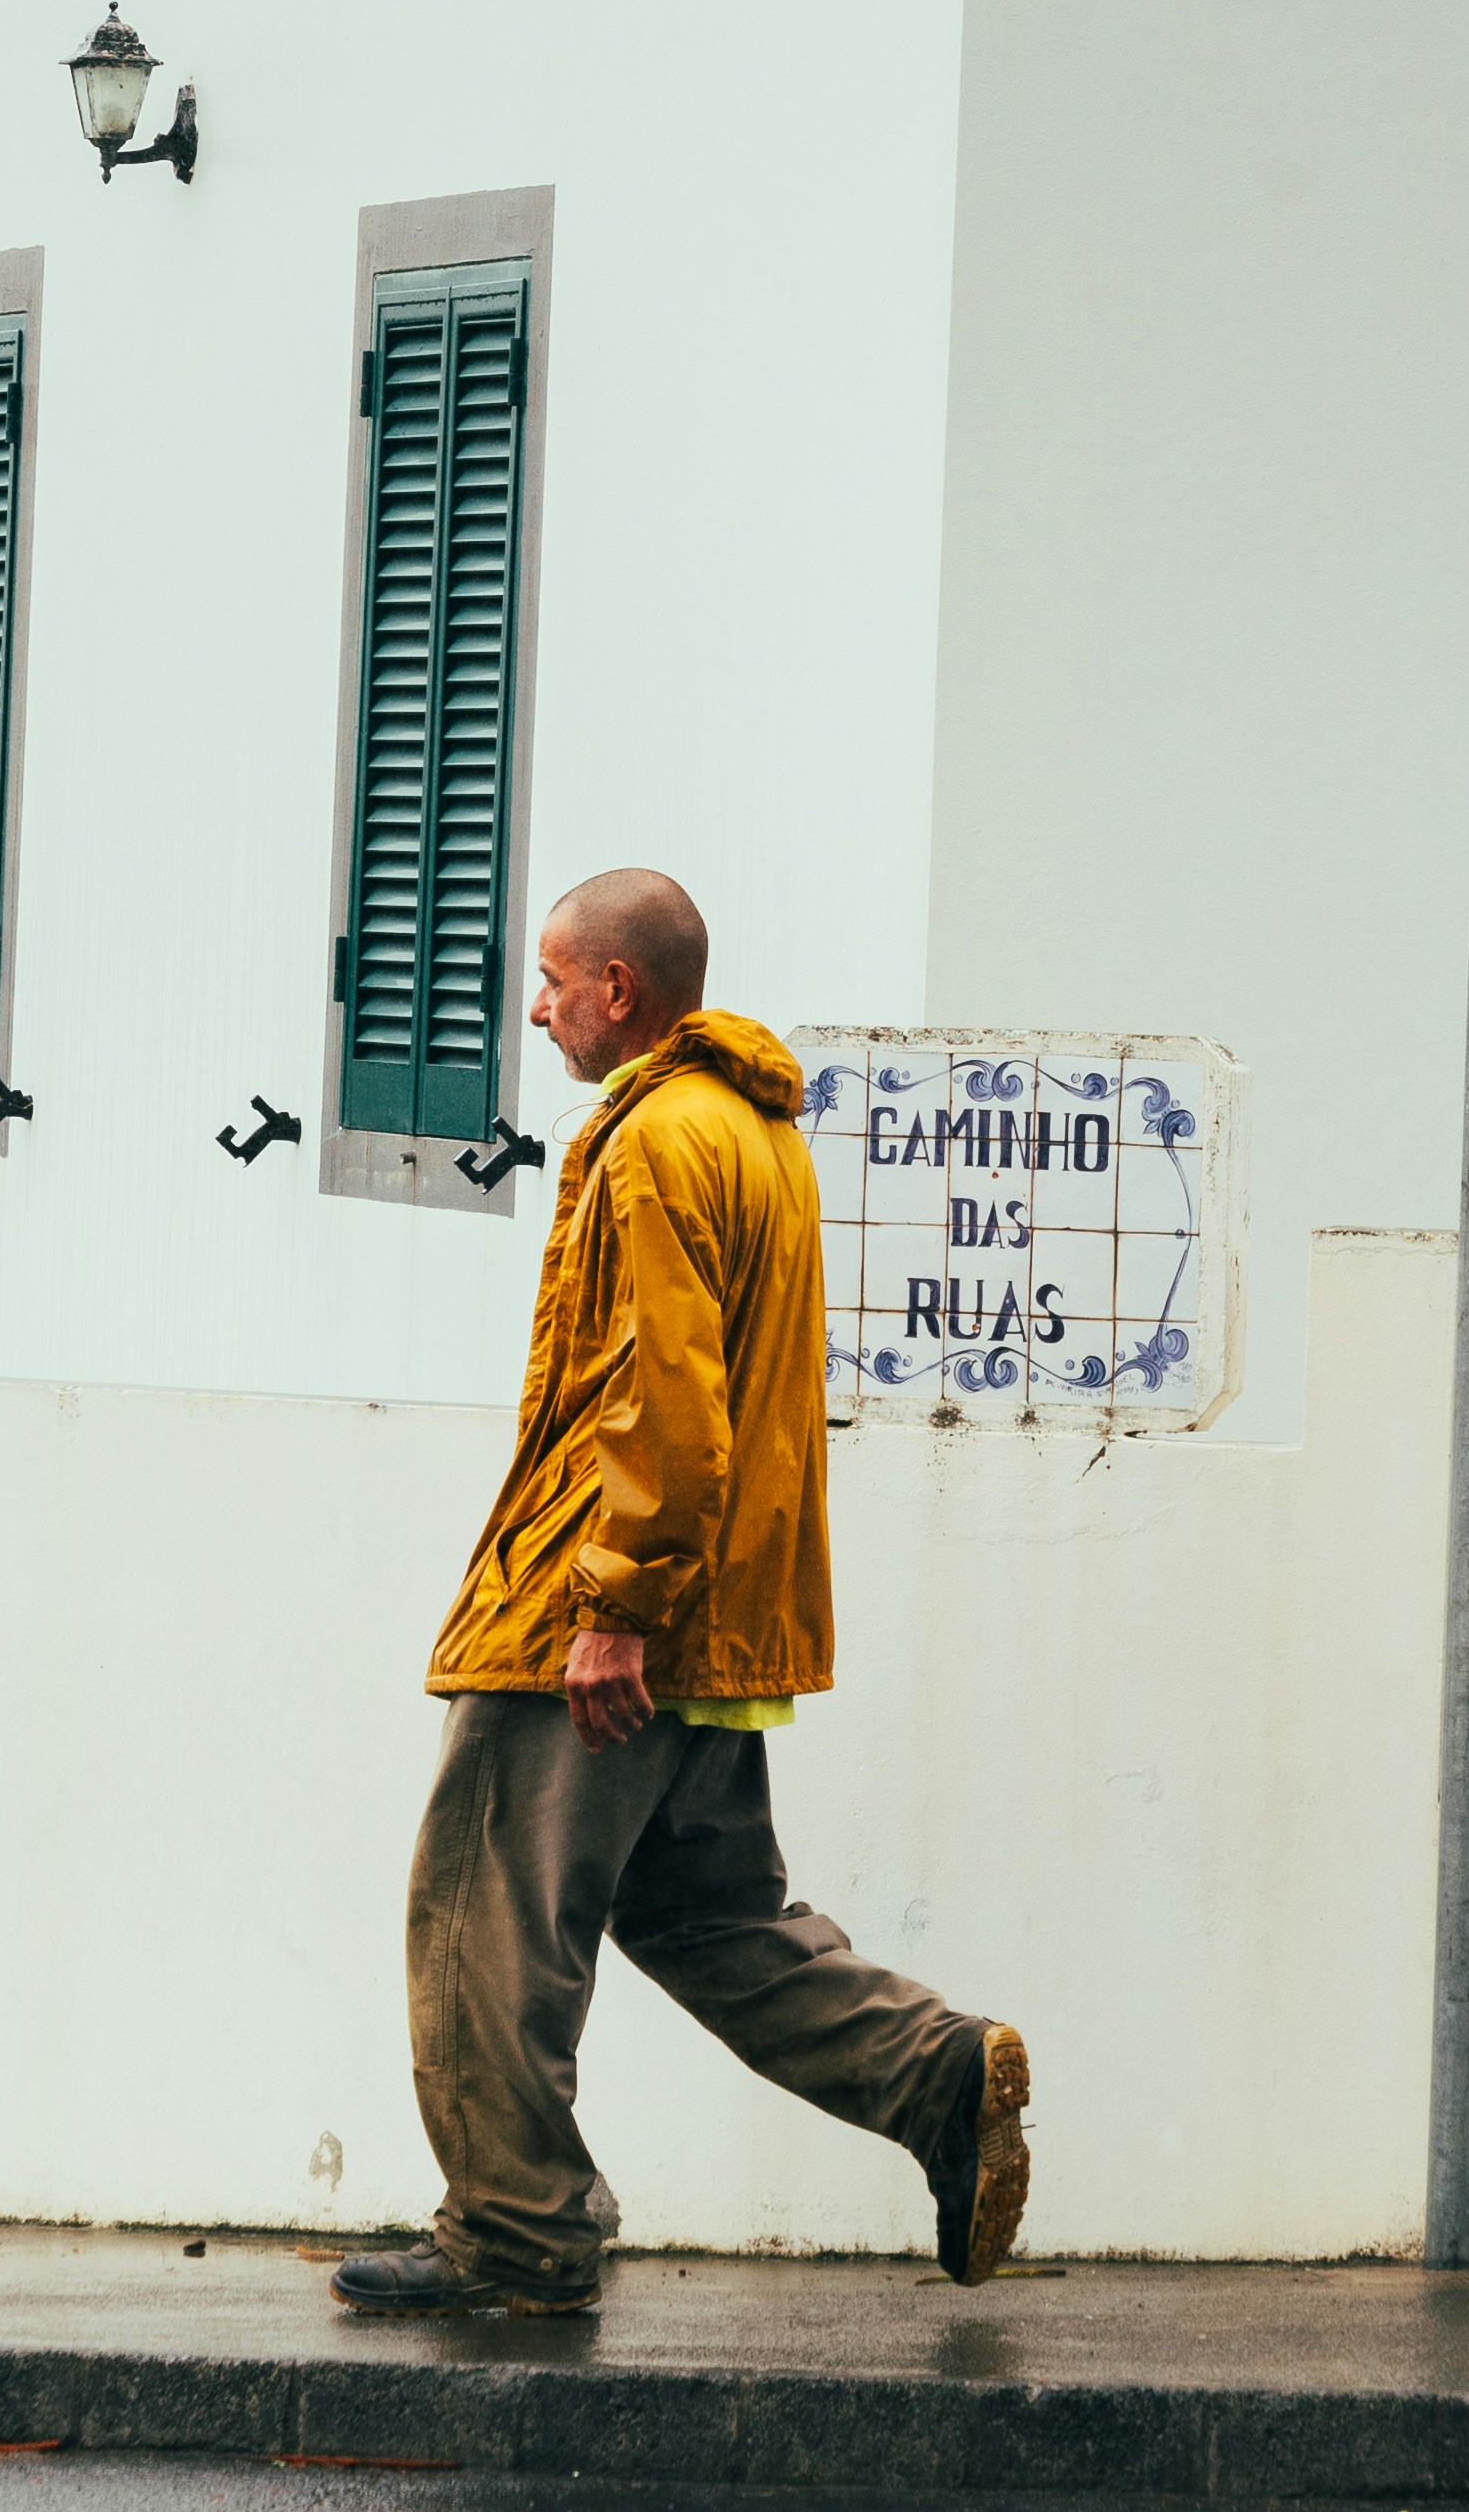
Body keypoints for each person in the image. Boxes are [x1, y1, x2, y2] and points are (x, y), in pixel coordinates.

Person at [335, 867, 1031, 2318]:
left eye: (550, 979)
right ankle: (933, 2072)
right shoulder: (759, 1136)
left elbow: (667, 1397)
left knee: (481, 1915)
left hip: (608, 1616)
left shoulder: (655, 1142)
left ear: (618, 991)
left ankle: (517, 2237)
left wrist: (610, 1610)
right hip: (723, 1621)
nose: (536, 1007)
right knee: (712, 1918)